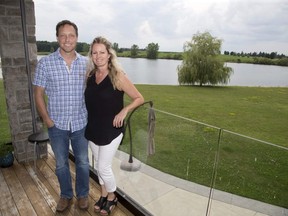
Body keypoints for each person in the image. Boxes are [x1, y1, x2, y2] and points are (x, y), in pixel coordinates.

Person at [33, 20, 90, 212]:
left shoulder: (86, 63)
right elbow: (38, 94)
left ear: (77, 37)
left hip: (81, 124)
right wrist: (47, 120)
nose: (67, 39)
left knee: (83, 162)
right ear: (57, 38)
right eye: (63, 35)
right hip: (56, 125)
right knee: (61, 165)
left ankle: (82, 195)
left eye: (71, 35)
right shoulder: (45, 63)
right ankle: (66, 195)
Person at [85, 36, 144, 215]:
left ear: (109, 55)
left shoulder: (118, 76)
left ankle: (112, 196)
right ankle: (103, 195)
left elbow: (139, 98)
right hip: (94, 128)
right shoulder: (90, 75)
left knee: (103, 167)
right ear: (91, 55)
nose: (98, 56)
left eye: (102, 52)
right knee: (99, 167)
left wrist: (124, 111)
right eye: (94, 53)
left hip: (111, 130)